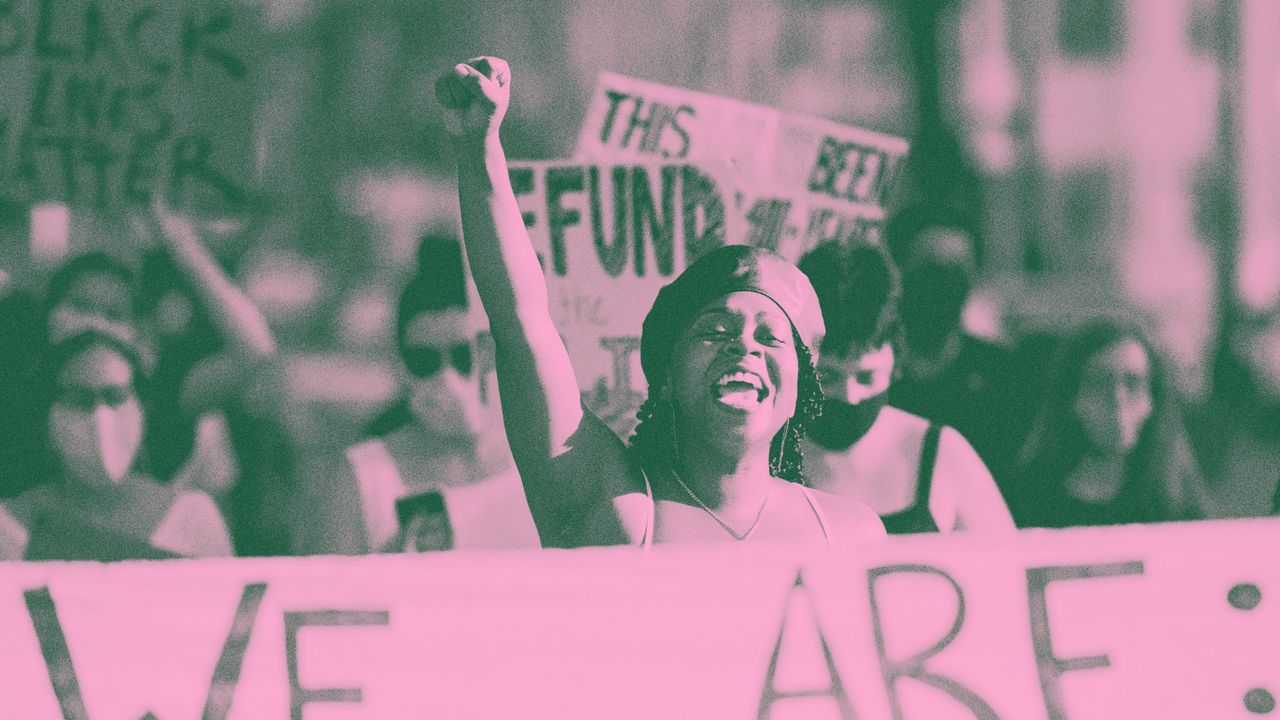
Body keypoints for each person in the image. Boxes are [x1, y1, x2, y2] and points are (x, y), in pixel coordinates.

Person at [437, 56, 885, 548]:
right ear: (667, 372)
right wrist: (480, 152)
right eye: (716, 329)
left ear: (803, 388)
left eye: (771, 336)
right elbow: (521, 324)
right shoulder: (617, 514)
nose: (745, 347)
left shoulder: (851, 537)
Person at [292, 235, 538, 554]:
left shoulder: (539, 461)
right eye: (424, 361)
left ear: (491, 353)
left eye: (463, 357)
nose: (446, 377)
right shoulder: (363, 475)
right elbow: (327, 593)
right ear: (400, 366)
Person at [798, 241, 1014, 533]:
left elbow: (1009, 569)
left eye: (867, 378)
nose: (849, 396)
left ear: (896, 361)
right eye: (826, 378)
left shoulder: (941, 453)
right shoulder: (760, 450)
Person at [0, 331, 232, 560]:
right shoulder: (9, 526)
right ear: (44, 418)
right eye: (80, 399)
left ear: (143, 410)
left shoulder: (192, 518)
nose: (100, 416)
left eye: (115, 397)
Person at [882, 204, 1035, 486]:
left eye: (957, 269)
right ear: (897, 272)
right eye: (930, 269)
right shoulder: (867, 375)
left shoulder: (1005, 376)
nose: (944, 284)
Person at [1012, 319, 1212, 528]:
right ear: (1071, 399)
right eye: (1099, 382)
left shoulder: (1178, 507)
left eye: (1133, 383)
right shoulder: (1028, 499)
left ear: (1153, 401)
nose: (1117, 398)